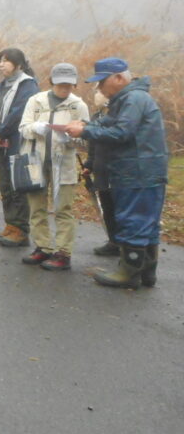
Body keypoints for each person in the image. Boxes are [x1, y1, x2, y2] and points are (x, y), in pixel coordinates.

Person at [66, 58, 168, 289]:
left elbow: (122, 132)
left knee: (133, 220)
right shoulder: (126, 99)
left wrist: (85, 130)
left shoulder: (133, 98)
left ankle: (129, 273)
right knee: (147, 223)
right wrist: (86, 125)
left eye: (102, 82)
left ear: (119, 78)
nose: (99, 88)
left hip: (137, 172)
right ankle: (146, 273)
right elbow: (109, 125)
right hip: (142, 170)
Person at [18, 63, 90, 271]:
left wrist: (72, 138)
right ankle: (42, 246)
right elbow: (23, 129)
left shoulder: (78, 105)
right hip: (35, 162)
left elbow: (87, 140)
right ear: (51, 82)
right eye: (60, 84)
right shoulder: (36, 101)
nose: (64, 89)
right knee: (36, 206)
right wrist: (37, 128)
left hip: (64, 164)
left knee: (63, 209)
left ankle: (63, 253)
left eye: (69, 85)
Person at [0, 48, 39, 248]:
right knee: (5, 186)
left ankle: (21, 230)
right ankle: (10, 225)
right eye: (0, 61)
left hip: (16, 143)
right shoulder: (1, 86)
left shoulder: (28, 86)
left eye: (6, 60)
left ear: (19, 64)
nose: (1, 64)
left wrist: (1, 133)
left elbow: (19, 113)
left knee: (18, 186)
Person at [82, 91, 120, 256]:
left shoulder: (118, 115)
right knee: (106, 205)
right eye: (96, 92)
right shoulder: (95, 117)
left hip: (116, 169)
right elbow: (92, 146)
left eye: (101, 92)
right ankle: (113, 241)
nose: (97, 95)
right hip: (100, 168)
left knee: (119, 207)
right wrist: (89, 164)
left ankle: (125, 244)